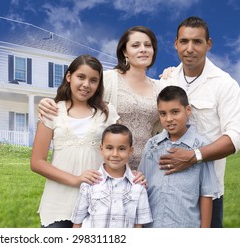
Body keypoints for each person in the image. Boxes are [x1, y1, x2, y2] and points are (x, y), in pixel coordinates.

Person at [159, 16, 240, 227]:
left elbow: (237, 136)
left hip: (207, 192)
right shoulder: (167, 80)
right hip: (168, 189)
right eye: (184, 41)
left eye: (197, 42)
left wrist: (194, 156)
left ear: (208, 44)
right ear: (175, 43)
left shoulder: (225, 84)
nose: (189, 48)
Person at [38, 26, 162, 170]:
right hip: (108, 167)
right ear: (124, 52)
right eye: (135, 45)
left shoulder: (160, 87)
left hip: (148, 167)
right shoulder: (108, 79)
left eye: (148, 45)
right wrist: (45, 102)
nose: (143, 49)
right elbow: (78, 96)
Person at [30, 54, 119, 228]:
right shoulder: (52, 111)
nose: (86, 84)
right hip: (58, 203)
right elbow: (37, 162)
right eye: (81, 77)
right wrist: (76, 179)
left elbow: (118, 154)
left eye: (93, 80)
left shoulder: (108, 113)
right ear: (69, 77)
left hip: (96, 203)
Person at [138, 85, 218, 227]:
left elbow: (206, 194)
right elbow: (141, 187)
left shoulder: (202, 147)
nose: (169, 119)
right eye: (163, 113)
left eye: (175, 112)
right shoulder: (152, 145)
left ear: (188, 110)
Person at [71, 124, 152, 228]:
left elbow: (138, 225)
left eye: (121, 149)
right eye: (109, 148)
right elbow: (77, 223)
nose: (115, 154)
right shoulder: (90, 183)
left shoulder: (138, 186)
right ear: (101, 149)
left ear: (130, 151)